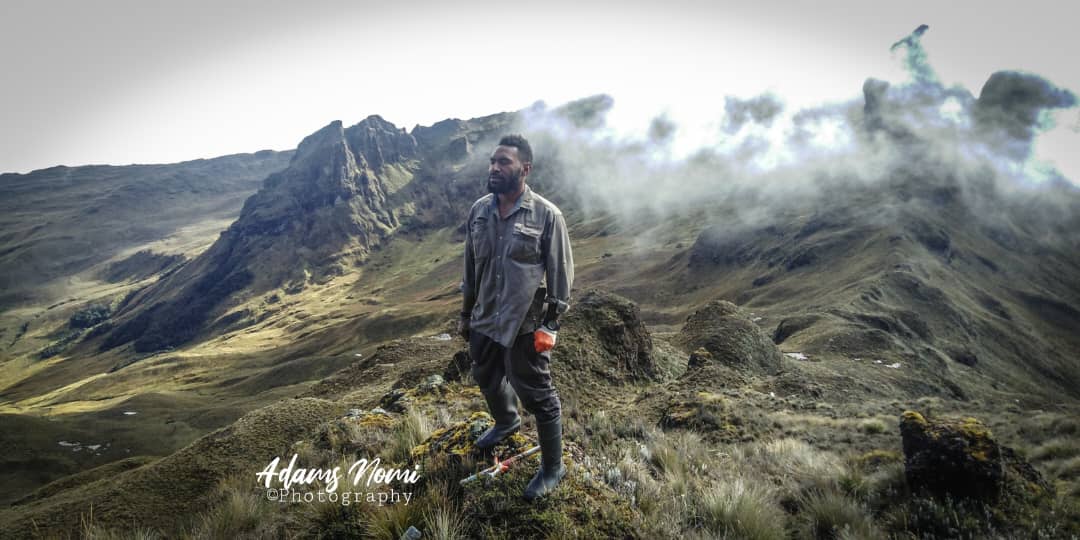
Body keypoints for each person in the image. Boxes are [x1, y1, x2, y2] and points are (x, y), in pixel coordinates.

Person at [458, 134, 574, 501]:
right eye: (492, 162)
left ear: (525, 169)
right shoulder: (479, 211)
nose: (494, 168)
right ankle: (506, 421)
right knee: (485, 374)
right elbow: (470, 267)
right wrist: (466, 313)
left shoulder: (547, 215)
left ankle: (553, 469)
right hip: (484, 317)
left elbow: (560, 273)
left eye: (503, 162)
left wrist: (550, 324)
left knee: (538, 394)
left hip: (523, 323)